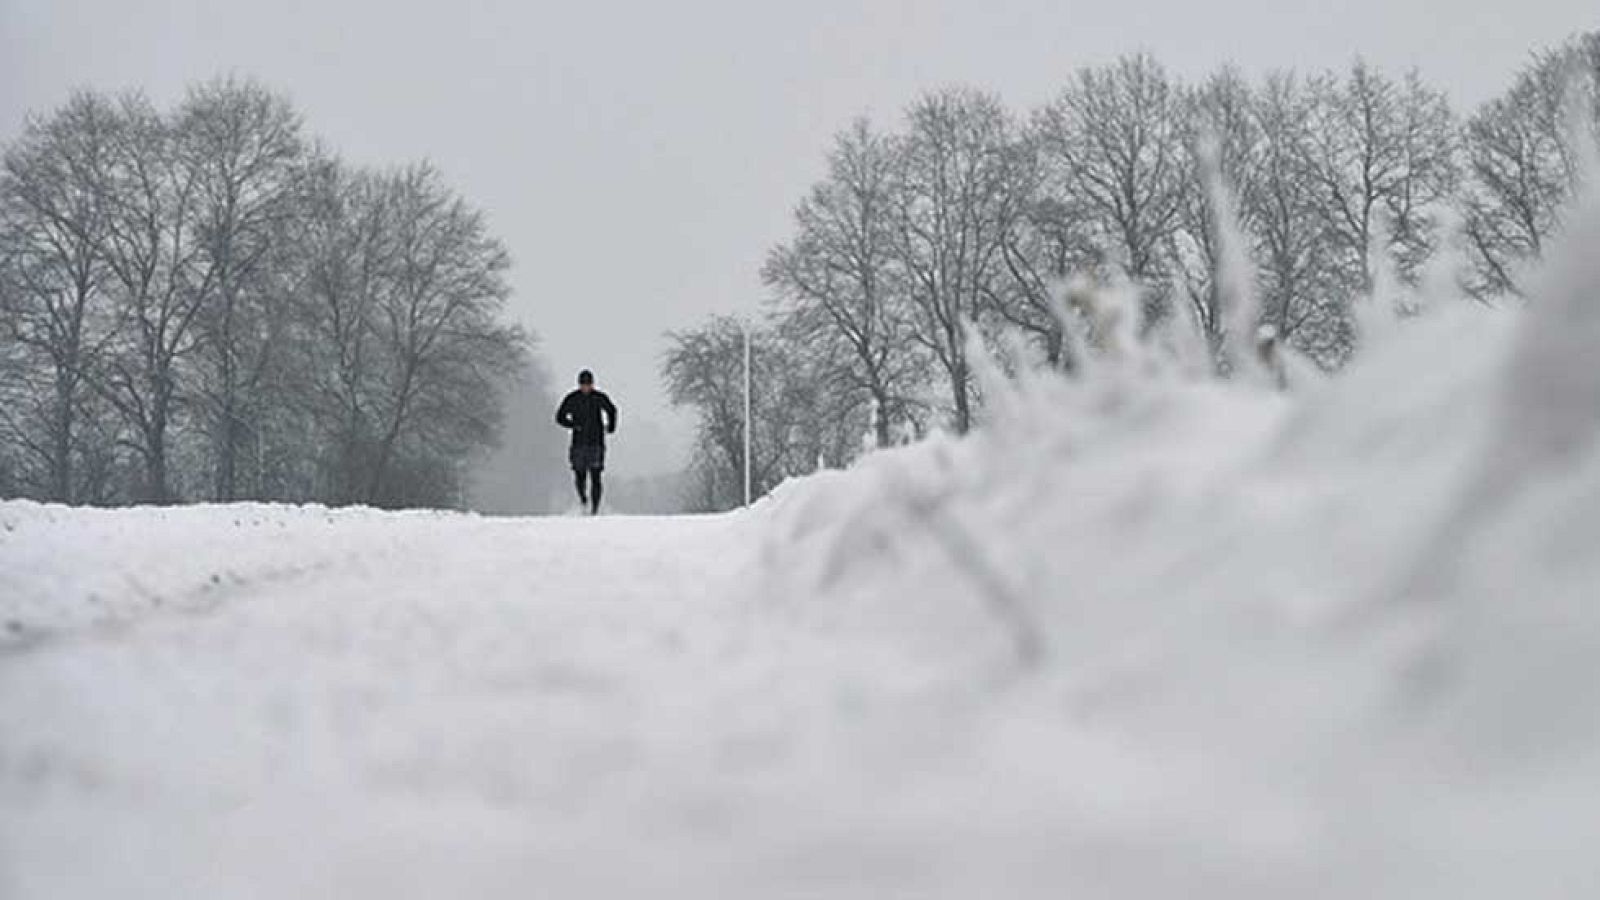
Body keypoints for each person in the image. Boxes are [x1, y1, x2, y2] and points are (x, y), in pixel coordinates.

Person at [555, 369, 618, 514]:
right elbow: (559, 416)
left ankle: (595, 508)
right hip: (578, 442)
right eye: (583, 384)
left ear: (592, 384)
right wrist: (572, 425)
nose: (586, 387)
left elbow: (611, 410)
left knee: (596, 475)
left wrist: (611, 426)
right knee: (579, 475)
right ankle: (583, 499)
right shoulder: (572, 398)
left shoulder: (598, 397)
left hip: (596, 442)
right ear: (579, 384)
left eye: (588, 384)